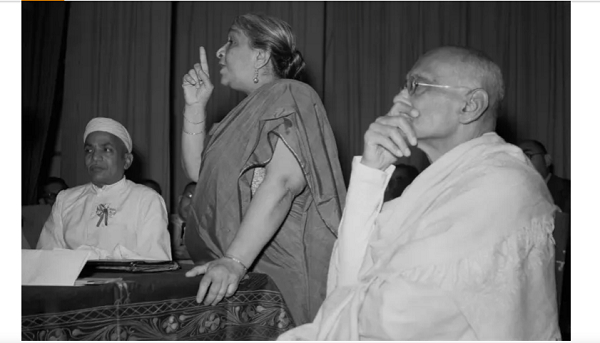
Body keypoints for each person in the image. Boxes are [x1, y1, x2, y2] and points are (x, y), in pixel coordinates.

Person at [279, 46, 560, 340]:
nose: (399, 99)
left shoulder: (503, 184)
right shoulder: (436, 185)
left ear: (470, 105)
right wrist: (370, 172)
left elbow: (400, 316)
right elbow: (352, 276)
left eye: (417, 85)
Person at [180, 13, 346, 325]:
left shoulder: (291, 94)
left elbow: (283, 182)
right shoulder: (238, 118)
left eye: (231, 41)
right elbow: (198, 176)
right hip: (242, 273)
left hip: (277, 279)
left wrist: (234, 260)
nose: (220, 51)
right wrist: (194, 106)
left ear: (260, 56)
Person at [37, 117, 171, 261]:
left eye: (106, 150)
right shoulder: (66, 200)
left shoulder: (146, 199)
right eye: (89, 150)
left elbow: (156, 262)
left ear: (126, 161)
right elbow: (45, 258)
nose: (95, 157)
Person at [518, 139, 570, 213]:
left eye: (528, 156)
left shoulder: (568, 191)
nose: (522, 162)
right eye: (517, 159)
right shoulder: (513, 195)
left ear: (547, 160)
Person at [168, 181, 196, 261]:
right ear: (180, 199)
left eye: (198, 198)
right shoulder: (163, 222)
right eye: (189, 196)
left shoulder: (207, 231)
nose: (192, 203)